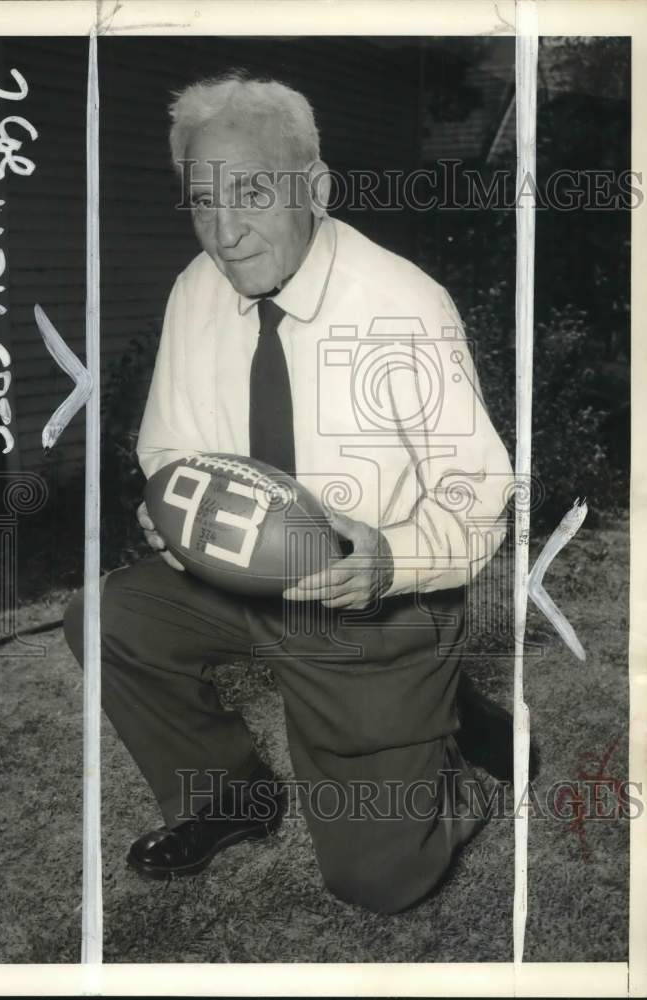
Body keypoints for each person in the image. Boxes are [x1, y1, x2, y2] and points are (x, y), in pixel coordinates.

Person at [64, 73, 519, 913]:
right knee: (112, 613)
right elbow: (169, 444)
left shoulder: (403, 308)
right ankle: (229, 796)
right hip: (236, 573)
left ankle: (453, 774)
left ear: (313, 187)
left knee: (380, 881)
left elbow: (477, 490)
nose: (226, 232)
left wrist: (384, 561)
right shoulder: (196, 288)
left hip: (365, 599)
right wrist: (166, 508)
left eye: (251, 193)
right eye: (202, 201)